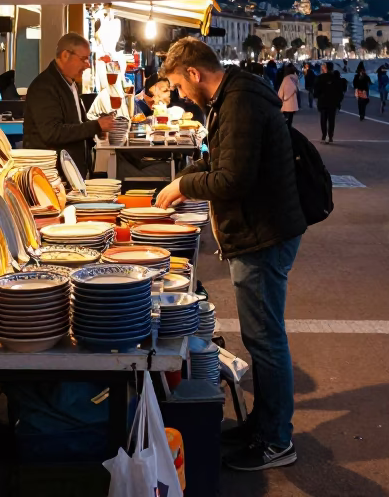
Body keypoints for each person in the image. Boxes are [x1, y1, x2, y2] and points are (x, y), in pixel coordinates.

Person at [153, 38, 305, 471]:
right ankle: (264, 425)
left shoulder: (237, 103)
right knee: (264, 337)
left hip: (262, 234)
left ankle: (276, 441)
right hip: (264, 229)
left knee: (265, 340)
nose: (181, 94)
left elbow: (232, 179)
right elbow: (218, 161)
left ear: (195, 74)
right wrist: (185, 176)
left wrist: (183, 186)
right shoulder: (234, 95)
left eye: (180, 85)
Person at [22, 33, 114, 177]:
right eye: (83, 59)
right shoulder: (44, 87)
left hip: (71, 174)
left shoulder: (71, 84)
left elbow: (73, 123)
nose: (88, 65)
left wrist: (95, 130)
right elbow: (53, 133)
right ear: (65, 55)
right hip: (52, 177)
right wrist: (95, 126)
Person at [315, 62, 343, 143]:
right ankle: (330, 136)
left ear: (325, 68)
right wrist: (338, 101)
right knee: (331, 120)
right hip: (332, 102)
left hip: (323, 102)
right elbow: (340, 91)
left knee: (323, 119)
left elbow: (316, 90)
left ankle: (324, 135)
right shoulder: (336, 78)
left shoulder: (320, 78)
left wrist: (318, 96)